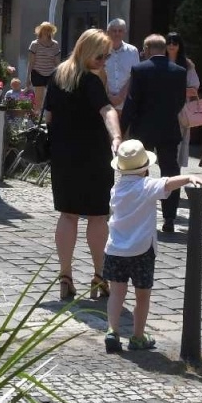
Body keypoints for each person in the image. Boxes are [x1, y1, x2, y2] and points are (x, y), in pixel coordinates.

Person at [101, 140, 202, 354]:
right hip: (142, 251)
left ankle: (112, 331)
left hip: (115, 250)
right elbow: (168, 183)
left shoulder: (117, 189)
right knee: (142, 296)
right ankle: (138, 336)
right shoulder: (147, 186)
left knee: (116, 293)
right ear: (145, 167)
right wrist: (189, 177)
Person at [43, 28, 122, 302]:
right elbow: (107, 109)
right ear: (88, 51)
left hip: (63, 154)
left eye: (107, 56)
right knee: (98, 217)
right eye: (101, 55)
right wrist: (117, 136)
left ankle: (65, 277)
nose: (104, 60)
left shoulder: (58, 75)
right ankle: (100, 277)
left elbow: (48, 116)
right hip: (93, 154)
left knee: (68, 215)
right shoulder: (90, 80)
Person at [121, 34, 190, 235]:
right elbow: (179, 102)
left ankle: (141, 214)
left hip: (143, 129)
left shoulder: (140, 69)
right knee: (170, 172)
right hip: (169, 128)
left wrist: (122, 127)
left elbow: (132, 101)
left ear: (147, 49)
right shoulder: (179, 71)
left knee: (140, 171)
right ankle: (169, 217)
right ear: (164, 49)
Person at [165, 31, 201, 167]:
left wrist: (175, 90)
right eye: (169, 42)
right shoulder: (160, 61)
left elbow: (194, 89)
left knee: (178, 142)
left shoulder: (187, 64)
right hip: (162, 108)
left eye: (175, 43)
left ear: (180, 45)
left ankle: (175, 172)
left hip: (181, 108)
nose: (171, 45)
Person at [104, 18, 139, 110]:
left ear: (124, 32)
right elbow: (99, 74)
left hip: (126, 102)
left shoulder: (133, 51)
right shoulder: (101, 51)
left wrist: (121, 96)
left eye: (120, 31)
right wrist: (109, 95)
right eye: (114, 31)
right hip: (105, 101)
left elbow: (135, 75)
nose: (117, 33)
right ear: (108, 32)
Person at [27, 22, 62, 116]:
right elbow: (31, 62)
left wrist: (62, 73)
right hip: (38, 73)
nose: (47, 31)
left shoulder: (55, 44)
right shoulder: (35, 44)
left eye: (49, 30)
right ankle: (36, 118)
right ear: (41, 31)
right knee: (39, 98)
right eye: (45, 29)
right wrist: (28, 78)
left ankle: (50, 118)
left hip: (51, 73)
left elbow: (57, 61)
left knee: (53, 97)